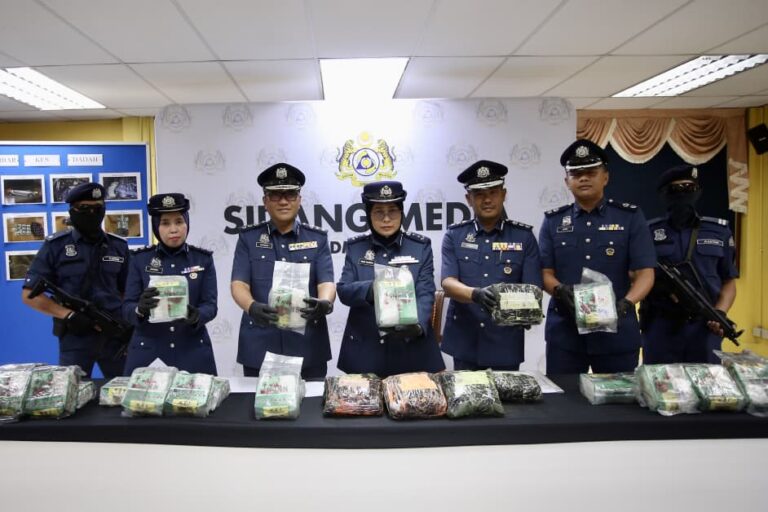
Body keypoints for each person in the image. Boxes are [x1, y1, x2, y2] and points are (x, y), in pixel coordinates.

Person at [539, 140, 656, 374]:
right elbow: (544, 272)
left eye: (591, 172)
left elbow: (645, 273)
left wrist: (627, 303)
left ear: (605, 177)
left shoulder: (629, 217)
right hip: (566, 332)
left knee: (619, 396)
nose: (583, 178)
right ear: (567, 181)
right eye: (576, 174)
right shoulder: (553, 221)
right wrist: (560, 290)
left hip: (617, 332)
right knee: (565, 397)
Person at [231, 163, 335, 380]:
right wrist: (251, 307)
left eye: (290, 194)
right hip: (260, 344)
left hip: (308, 345)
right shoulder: (248, 239)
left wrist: (325, 303)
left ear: (299, 199)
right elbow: (239, 283)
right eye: (276, 195)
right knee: (256, 402)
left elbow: (326, 282)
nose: (283, 201)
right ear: (265, 201)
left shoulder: (317, 239)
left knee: (311, 402)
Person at [441, 160, 543, 371]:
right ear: (469, 199)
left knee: (508, 394)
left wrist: (527, 311)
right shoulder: (454, 235)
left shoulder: (524, 237)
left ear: (503, 194)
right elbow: (448, 283)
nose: (487, 200)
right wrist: (475, 294)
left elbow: (533, 289)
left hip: (505, 343)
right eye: (479, 194)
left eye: (493, 193)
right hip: (465, 340)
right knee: (465, 393)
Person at [336, 181, 445, 377]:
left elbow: (426, 292)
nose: (386, 219)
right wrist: (371, 289)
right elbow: (344, 290)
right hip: (365, 351)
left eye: (392, 211)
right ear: (368, 215)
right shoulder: (355, 248)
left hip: (411, 349)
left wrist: (418, 325)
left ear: (402, 213)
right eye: (379, 212)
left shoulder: (420, 247)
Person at [21, 182, 129, 378]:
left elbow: (127, 291)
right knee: (72, 391)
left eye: (97, 208)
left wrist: (128, 325)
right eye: (84, 208)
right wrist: (68, 315)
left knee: (124, 389)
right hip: (76, 336)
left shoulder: (118, 247)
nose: (92, 213)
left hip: (114, 334)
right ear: (72, 211)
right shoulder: (56, 246)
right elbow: (29, 295)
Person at [640, 164, 738, 364]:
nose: (683, 194)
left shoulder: (718, 231)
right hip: (660, 326)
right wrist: (657, 286)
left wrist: (720, 312)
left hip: (705, 328)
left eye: (689, 188)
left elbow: (729, 281)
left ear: (698, 191)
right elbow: (634, 274)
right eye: (676, 189)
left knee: (707, 382)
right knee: (660, 381)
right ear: (664, 194)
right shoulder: (647, 232)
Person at [122, 193, 218, 375]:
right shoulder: (139, 260)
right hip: (149, 351)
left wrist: (197, 316)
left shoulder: (203, 259)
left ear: (187, 223)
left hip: (192, 351)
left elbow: (210, 305)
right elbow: (127, 307)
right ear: (156, 226)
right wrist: (140, 309)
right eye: (165, 223)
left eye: (179, 221)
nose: (174, 229)